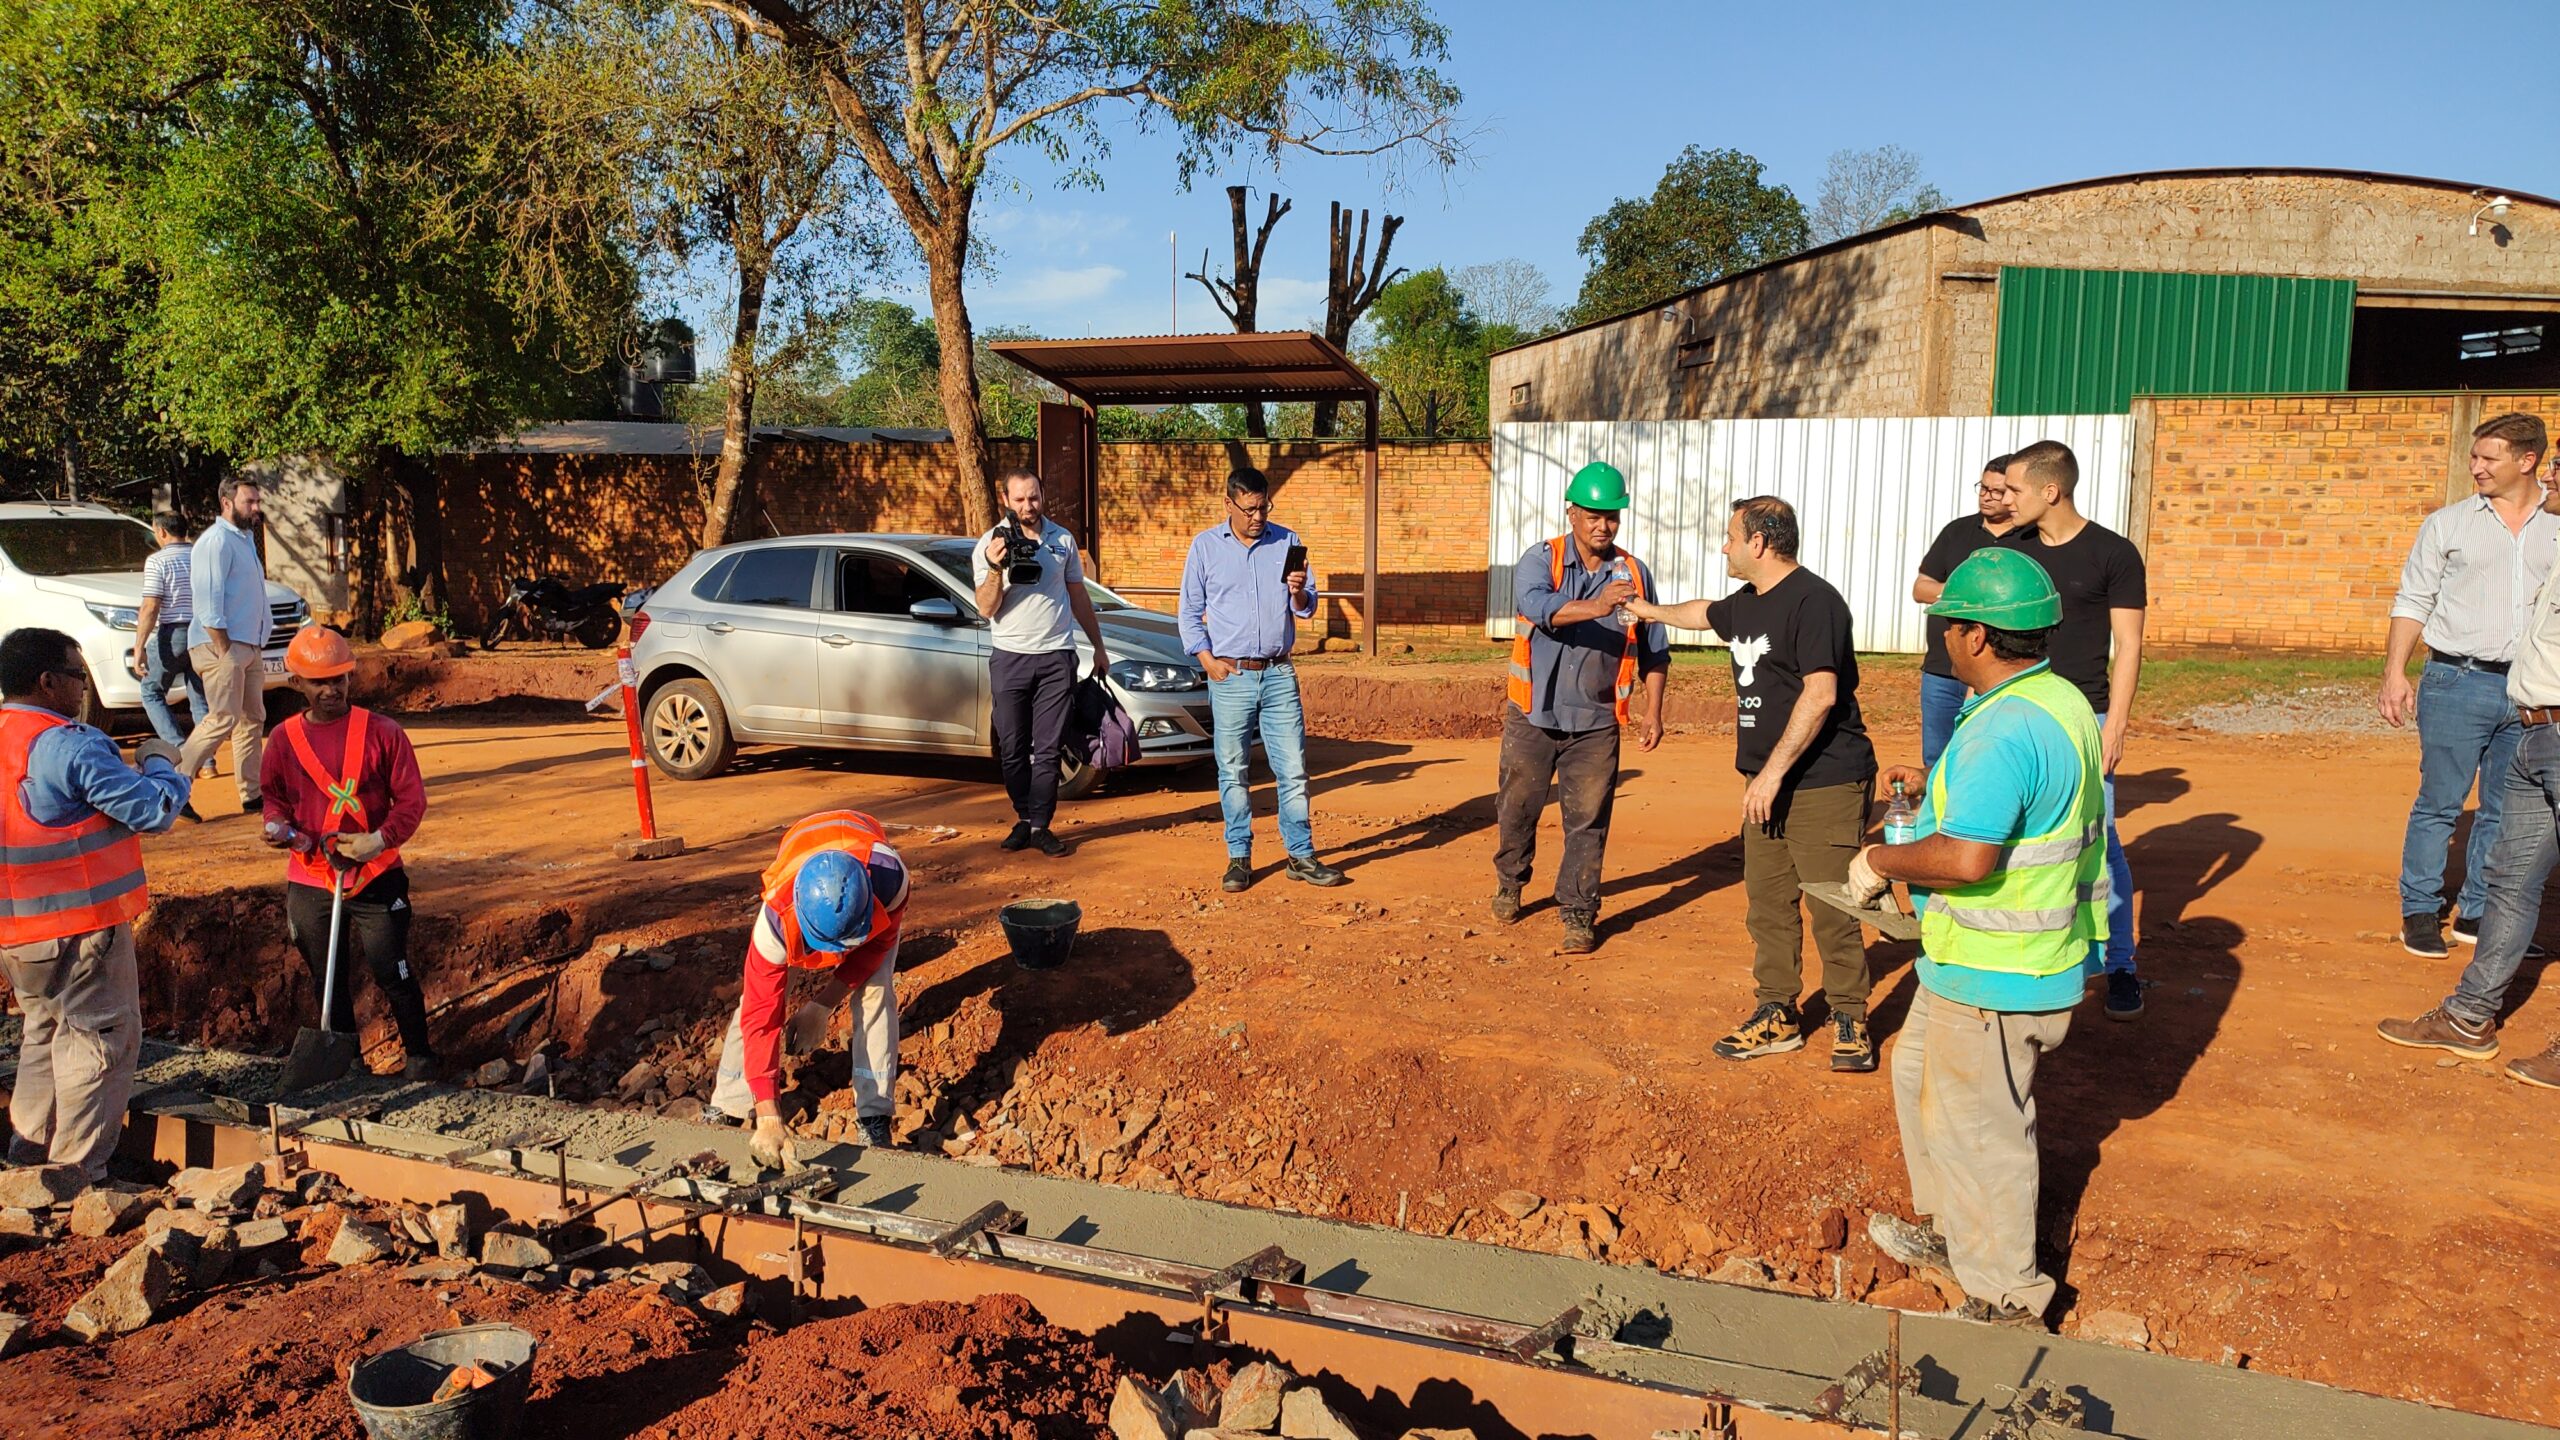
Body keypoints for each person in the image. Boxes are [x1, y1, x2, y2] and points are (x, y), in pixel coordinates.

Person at [1850, 549, 2103, 1331]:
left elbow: (1967, 859)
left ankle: (2006, 1298)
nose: (1943, 640)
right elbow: (2018, 806)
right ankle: (1955, 1237)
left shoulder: (2003, 730)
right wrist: (1935, 789)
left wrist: (1879, 860)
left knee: (1983, 1133)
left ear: (1979, 637)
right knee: (1916, 1075)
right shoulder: (2054, 699)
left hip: (1999, 970)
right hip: (1981, 960)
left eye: (1949, 627)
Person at [1632, 497, 1879, 1069]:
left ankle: (1849, 1015)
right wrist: (1647, 610)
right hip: (1764, 782)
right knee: (1768, 903)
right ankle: (1777, 1012)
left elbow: (1821, 694)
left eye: (1731, 537)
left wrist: (1771, 773)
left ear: (1759, 543)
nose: (1724, 547)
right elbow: (1703, 613)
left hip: (1823, 781)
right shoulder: (1746, 602)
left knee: (1832, 903)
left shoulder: (1815, 603)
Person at [2381, 414, 2560, 1086]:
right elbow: (2413, 595)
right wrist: (2395, 671)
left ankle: (2478, 920)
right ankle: (2427, 920)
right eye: (2475, 457)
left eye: (2490, 457)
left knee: (2505, 823)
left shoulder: (2554, 525)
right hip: (2464, 680)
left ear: (2527, 459)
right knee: (2446, 804)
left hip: (2539, 705)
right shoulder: (2450, 524)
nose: (2477, 467)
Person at [0, 628, 189, 1181]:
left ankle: (27, 1155)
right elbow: (154, 810)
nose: (83, 688)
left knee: (43, 1033)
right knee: (97, 1042)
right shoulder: (69, 745)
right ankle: (74, 1175)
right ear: (47, 681)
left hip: (17, 935)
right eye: (78, 677)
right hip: (81, 930)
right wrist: (159, 761)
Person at [1993, 440, 2146, 1021]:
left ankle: (2119, 966)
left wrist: (2116, 726)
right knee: (2016, 834)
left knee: (2100, 839)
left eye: (2015, 489)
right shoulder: (2013, 552)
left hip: (2086, 718)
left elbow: (2128, 644)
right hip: (2017, 713)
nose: (2005, 498)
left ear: (2050, 491)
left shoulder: (2114, 553)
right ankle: (2033, 954)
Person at [1495, 462, 1669, 954]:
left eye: (1612, 516)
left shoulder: (1634, 573)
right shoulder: (1541, 559)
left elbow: (1655, 649)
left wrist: (1654, 710)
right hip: (1533, 715)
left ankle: (1578, 910)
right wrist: (1600, 605)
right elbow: (1540, 608)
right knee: (1517, 808)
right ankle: (1510, 881)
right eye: (1594, 515)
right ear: (1572, 512)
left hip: (1595, 722)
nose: (1603, 526)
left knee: (1588, 819)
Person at [259, 627, 436, 1079]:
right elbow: (273, 797)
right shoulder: (282, 739)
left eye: (338, 679)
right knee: (328, 975)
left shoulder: (383, 732)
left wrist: (381, 838)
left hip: (375, 873)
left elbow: (411, 801)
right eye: (318, 682)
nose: (330, 690)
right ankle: (347, 1065)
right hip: (311, 875)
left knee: (391, 968)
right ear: (296, 682)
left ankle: (420, 1058)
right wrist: (278, 827)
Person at [709, 810, 911, 1168]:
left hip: (862, 858)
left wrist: (823, 1005)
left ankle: (874, 1117)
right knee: (753, 1005)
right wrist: (769, 1115)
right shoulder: (775, 922)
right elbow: (761, 1017)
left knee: (876, 990)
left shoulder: (891, 880)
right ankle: (729, 1102)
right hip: (800, 863)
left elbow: (876, 948)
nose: (836, 956)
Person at [1178, 468, 1344, 893]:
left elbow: (1307, 607)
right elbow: (1189, 612)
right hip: (1231, 676)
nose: (1258, 517)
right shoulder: (1205, 547)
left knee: (1293, 770)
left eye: (1264, 507)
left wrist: (1298, 592)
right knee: (1233, 770)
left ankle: (1300, 855)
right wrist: (1207, 660)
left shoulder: (1287, 542)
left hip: (1279, 673)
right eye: (1249, 509)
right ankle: (1239, 857)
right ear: (1229, 504)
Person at [973, 468, 1109, 857]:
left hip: (1056, 656)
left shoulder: (1061, 539)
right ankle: (1023, 816)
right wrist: (996, 567)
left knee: (1048, 748)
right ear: (1005, 500)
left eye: (1033, 497)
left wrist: (1098, 646)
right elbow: (986, 608)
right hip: (1010, 657)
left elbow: (1078, 595)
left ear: (1042, 495)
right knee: (1013, 746)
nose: (1028, 506)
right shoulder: (989, 544)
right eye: (1019, 499)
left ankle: (1040, 825)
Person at [1913, 457, 2018, 771]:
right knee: (1936, 761)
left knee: (1987, 759)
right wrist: (1967, 591)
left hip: (1997, 672)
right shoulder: (1956, 531)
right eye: (1982, 488)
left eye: (1997, 491)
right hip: (1942, 670)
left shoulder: (2030, 538)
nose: (1986, 496)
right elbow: (1921, 588)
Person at [178, 475, 274, 816]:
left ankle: (252, 794)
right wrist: (224, 649)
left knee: (252, 719)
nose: (256, 507)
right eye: (250, 501)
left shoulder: (244, 540)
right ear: (227, 503)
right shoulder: (215, 542)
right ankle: (171, 786)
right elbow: (208, 601)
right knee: (222, 718)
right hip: (221, 644)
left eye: (258, 501)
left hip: (249, 644)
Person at [129, 509, 207, 757]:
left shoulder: (157, 561)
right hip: (204, 633)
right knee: (199, 697)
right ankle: (206, 760)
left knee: (151, 692)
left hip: (173, 634)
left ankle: (180, 749)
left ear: (161, 532)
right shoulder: (202, 556)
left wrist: (139, 647)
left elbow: (151, 606)